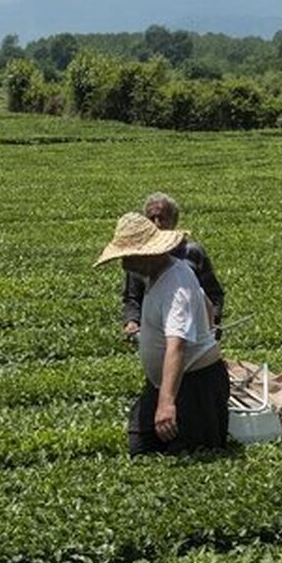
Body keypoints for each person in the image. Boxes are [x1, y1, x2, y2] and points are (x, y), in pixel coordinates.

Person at [96, 212, 228, 456]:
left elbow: (176, 345)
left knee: (191, 454)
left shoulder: (175, 284)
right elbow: (206, 302)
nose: (124, 264)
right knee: (140, 446)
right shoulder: (156, 275)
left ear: (148, 254)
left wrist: (167, 404)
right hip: (165, 382)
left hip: (196, 384)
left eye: (128, 256)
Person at [122, 192, 225, 340]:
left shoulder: (193, 252)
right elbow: (132, 297)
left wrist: (212, 320)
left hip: (192, 331)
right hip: (154, 333)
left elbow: (213, 294)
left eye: (162, 218)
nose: (157, 224)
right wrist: (131, 322)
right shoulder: (140, 258)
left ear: (174, 222)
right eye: (151, 219)